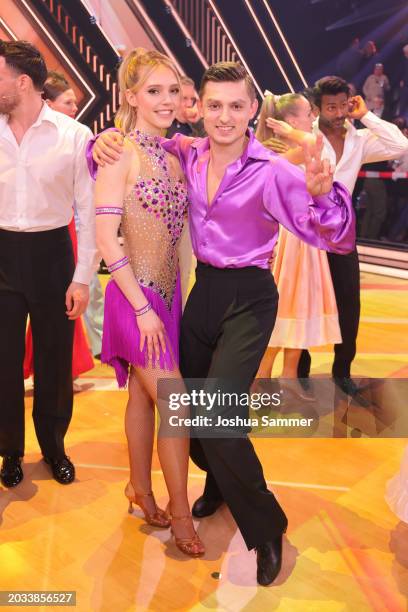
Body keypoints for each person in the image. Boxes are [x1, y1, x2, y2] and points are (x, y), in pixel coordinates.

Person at [90, 61, 355, 586]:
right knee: (192, 404)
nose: (225, 116)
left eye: (237, 105)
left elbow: (333, 235)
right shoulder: (188, 152)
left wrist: (324, 194)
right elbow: (130, 145)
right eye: (214, 105)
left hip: (248, 300)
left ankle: (266, 527)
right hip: (201, 295)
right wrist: (96, 143)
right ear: (200, 108)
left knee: (218, 420)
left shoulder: (273, 170)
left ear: (252, 109)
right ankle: (217, 488)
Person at [94, 48, 204, 557]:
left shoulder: (176, 153)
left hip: (169, 297)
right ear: (132, 97)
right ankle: (181, 512)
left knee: (144, 397)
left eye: (172, 90)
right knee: (176, 402)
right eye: (153, 91)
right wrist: (140, 308)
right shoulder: (119, 153)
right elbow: (105, 236)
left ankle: (140, 489)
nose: (166, 100)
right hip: (132, 298)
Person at [0, 41, 97, 487]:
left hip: (53, 253)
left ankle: (54, 446)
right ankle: (10, 452)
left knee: (55, 359)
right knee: (2, 359)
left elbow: (87, 210)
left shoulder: (73, 136)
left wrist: (82, 278)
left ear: (22, 82)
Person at [296, 76, 408, 399]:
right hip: (308, 231)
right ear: (318, 108)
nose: (339, 112)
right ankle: (300, 370)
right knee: (306, 303)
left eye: (343, 105)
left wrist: (366, 115)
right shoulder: (307, 135)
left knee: (350, 305)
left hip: (342, 234)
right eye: (331, 107)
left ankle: (341, 371)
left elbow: (400, 145)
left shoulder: (359, 139)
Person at [254, 93, 341, 396]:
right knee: (282, 308)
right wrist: (295, 135)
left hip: (305, 242)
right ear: (291, 121)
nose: (313, 118)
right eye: (307, 113)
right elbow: (312, 144)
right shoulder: (275, 152)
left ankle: (288, 378)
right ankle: (263, 379)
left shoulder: (299, 150)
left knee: (301, 308)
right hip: (287, 241)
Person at [23, 71, 95, 382]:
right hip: (53, 232)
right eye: (67, 102)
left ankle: (61, 366)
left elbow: (87, 203)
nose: (73, 108)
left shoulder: (79, 136)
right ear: (47, 102)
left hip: (66, 232)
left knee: (67, 306)